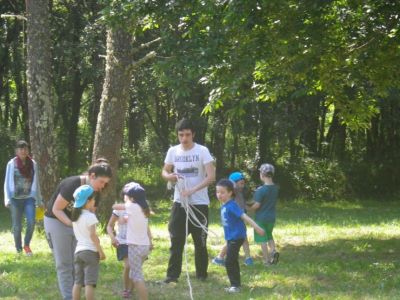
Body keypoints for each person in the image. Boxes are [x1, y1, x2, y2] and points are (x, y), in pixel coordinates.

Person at [44, 162, 112, 300]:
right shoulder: (72, 184)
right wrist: (72, 224)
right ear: (92, 176)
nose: (103, 186)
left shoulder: (96, 192)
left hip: (77, 224)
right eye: (101, 181)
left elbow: (91, 213)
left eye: (106, 183)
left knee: (77, 262)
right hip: (57, 221)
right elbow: (56, 209)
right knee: (64, 263)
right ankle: (68, 297)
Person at [161, 118, 216, 283]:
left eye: (187, 135)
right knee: (176, 240)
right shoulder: (173, 151)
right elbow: (164, 171)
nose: (184, 138)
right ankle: (172, 276)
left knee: (200, 241)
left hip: (199, 203)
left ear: (193, 134)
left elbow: (211, 177)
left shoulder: (202, 151)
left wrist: (192, 190)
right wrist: (169, 176)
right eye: (181, 135)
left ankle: (201, 275)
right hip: (179, 203)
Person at [216, 179, 265, 293]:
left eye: (222, 192)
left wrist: (257, 228)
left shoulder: (232, 205)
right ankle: (236, 284)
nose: (219, 195)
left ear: (230, 193)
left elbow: (244, 217)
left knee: (229, 261)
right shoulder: (225, 205)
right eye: (218, 192)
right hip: (231, 238)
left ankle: (235, 286)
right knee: (232, 261)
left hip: (236, 237)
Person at [112, 182, 153, 300]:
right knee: (134, 272)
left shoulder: (131, 206)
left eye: (127, 195)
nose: (125, 197)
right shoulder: (144, 208)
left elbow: (114, 207)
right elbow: (124, 220)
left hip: (135, 246)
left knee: (137, 277)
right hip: (144, 246)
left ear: (132, 198)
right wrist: (124, 218)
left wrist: (126, 203)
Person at [3, 140, 42, 255]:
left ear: (28, 150)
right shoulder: (11, 164)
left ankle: (26, 245)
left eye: (25, 148)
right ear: (16, 151)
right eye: (21, 149)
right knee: (17, 226)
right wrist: (7, 198)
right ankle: (19, 249)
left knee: (31, 222)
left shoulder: (33, 164)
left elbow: (37, 182)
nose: (23, 151)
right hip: (15, 199)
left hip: (29, 198)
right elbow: (6, 182)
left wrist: (39, 200)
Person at [71, 185, 106, 300]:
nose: (94, 201)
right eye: (93, 199)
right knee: (89, 283)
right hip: (90, 252)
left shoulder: (75, 217)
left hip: (78, 252)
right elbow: (93, 235)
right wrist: (100, 251)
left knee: (77, 282)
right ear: (88, 201)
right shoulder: (90, 216)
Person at [212, 171, 254, 266]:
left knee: (243, 238)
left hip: (240, 218)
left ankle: (248, 258)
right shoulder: (231, 192)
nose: (243, 185)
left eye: (243, 183)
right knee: (231, 241)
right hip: (233, 221)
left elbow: (242, 204)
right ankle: (220, 257)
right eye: (240, 183)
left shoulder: (240, 192)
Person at [247, 163, 279, 266]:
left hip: (261, 218)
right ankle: (273, 251)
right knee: (269, 236)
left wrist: (248, 208)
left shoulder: (261, 190)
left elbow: (257, 205)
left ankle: (266, 260)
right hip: (271, 217)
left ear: (262, 174)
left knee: (262, 239)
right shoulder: (276, 188)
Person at [106, 196, 132, 298]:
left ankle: (131, 289)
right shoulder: (118, 209)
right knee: (128, 266)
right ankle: (126, 289)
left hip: (136, 242)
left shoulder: (139, 208)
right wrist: (112, 238)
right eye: (128, 195)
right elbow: (109, 226)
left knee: (135, 268)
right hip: (123, 242)